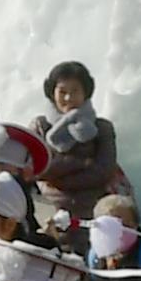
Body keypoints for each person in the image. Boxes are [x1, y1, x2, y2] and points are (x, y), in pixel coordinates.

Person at [34, 61, 123, 213]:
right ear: (52, 93)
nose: (68, 98)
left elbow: (103, 171)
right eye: (62, 92)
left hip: (94, 210)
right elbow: (38, 169)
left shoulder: (102, 128)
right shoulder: (40, 126)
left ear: (85, 93)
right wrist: (83, 163)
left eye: (75, 91)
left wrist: (58, 178)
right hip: (48, 210)